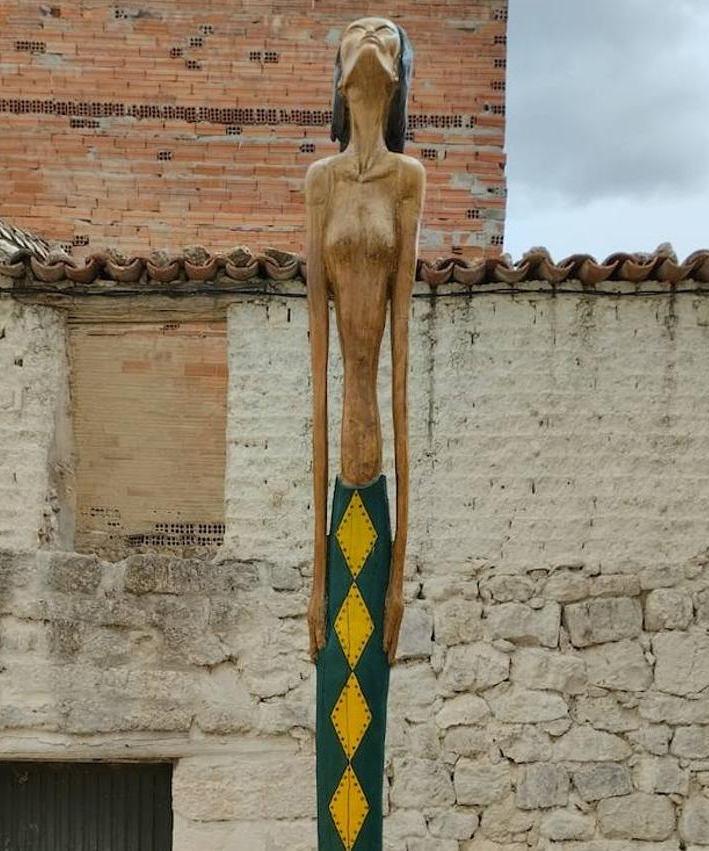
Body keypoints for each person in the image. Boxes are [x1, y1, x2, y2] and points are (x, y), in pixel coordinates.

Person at [304, 16, 425, 851]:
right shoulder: (320, 182)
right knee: (335, 694)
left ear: (395, 74)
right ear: (340, 74)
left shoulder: (406, 181)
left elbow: (403, 365)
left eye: (384, 34)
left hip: (374, 467)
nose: (370, 41)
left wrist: (397, 571)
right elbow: (316, 371)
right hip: (337, 480)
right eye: (357, 35)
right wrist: (316, 574)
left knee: (366, 692)